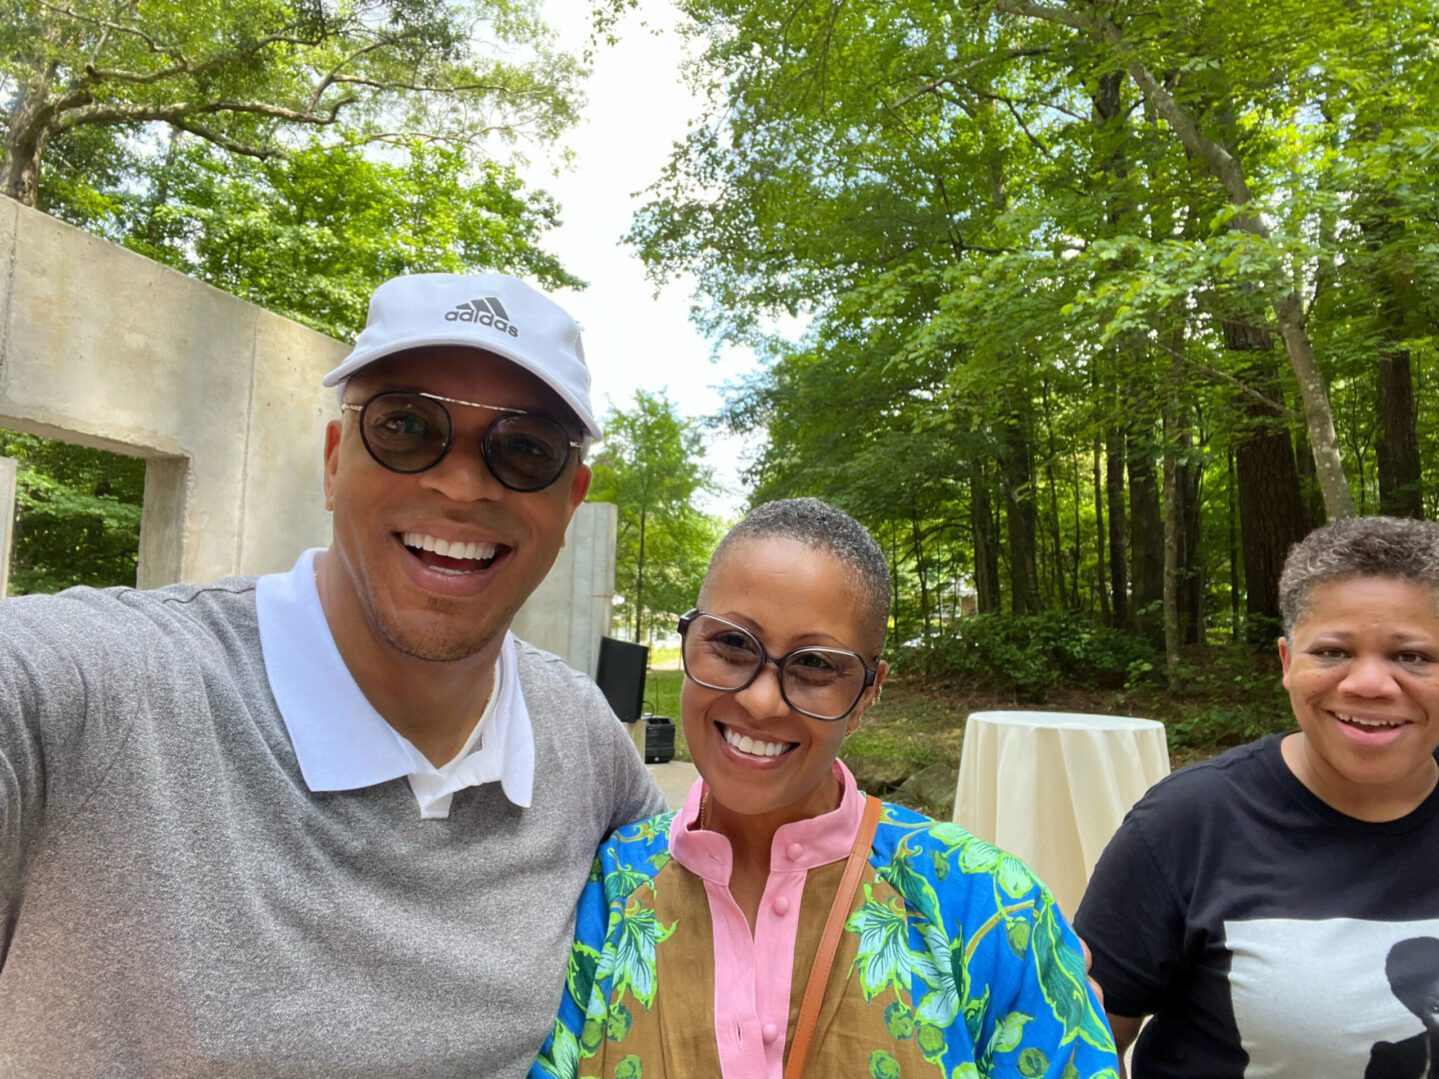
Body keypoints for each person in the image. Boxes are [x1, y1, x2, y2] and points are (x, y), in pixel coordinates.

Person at [0, 272, 664, 1076]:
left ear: (569, 504)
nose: (459, 483)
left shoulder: (579, 738)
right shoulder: (98, 693)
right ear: (332, 462)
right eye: (408, 427)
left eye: (525, 449)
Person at [533, 498, 1119, 1079]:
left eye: (815, 665)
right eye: (733, 645)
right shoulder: (606, 892)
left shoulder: (990, 906)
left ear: (867, 692)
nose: (760, 701)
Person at [1075, 515, 1439, 1078]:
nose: (1369, 683)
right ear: (1288, 664)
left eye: (1412, 656)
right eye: (1333, 652)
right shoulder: (1187, 825)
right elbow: (1074, 1048)